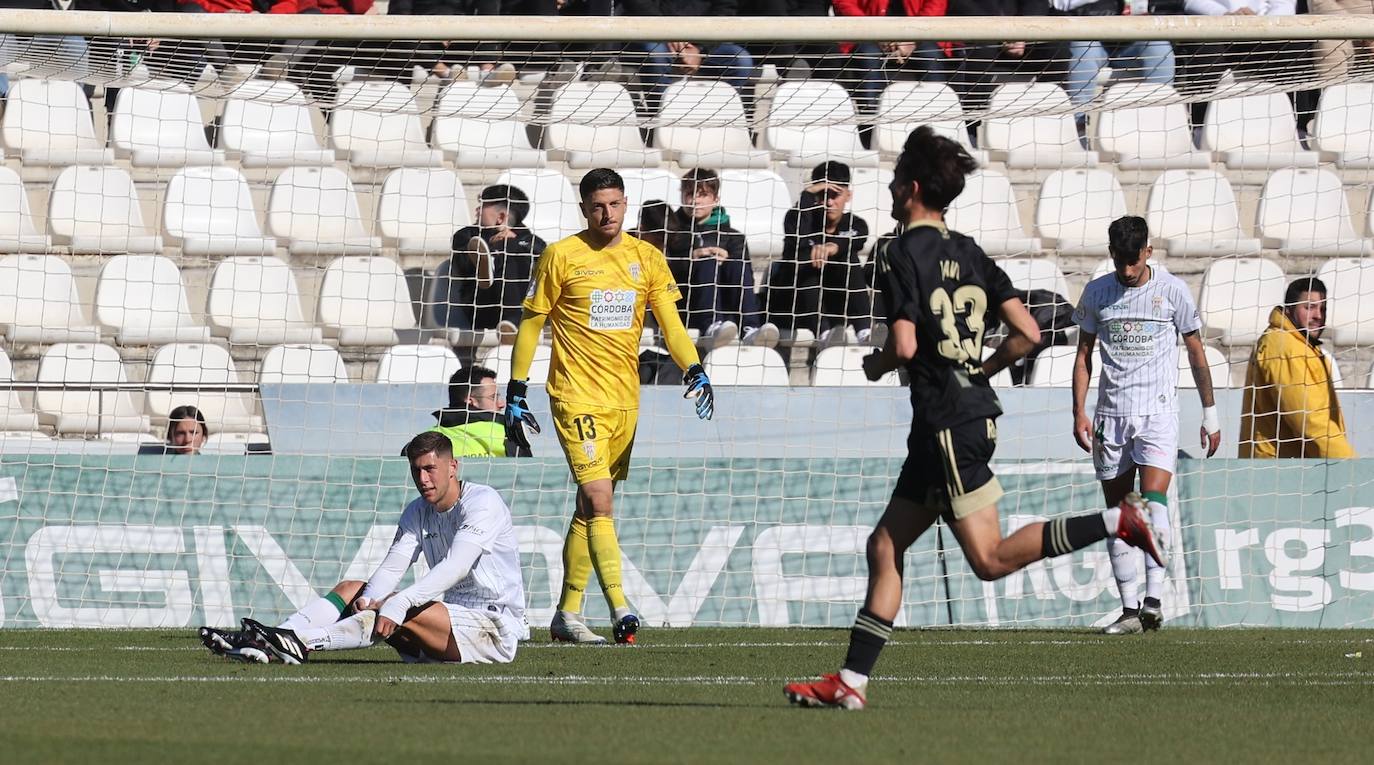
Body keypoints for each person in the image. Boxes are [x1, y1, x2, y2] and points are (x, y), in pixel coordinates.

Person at [782, 126, 1166, 710]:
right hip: (965, 415)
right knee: (885, 544)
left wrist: (875, 364)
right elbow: (1029, 333)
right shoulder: (970, 251)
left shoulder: (896, 249)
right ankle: (851, 683)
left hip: (943, 421)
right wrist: (979, 374)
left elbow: (905, 345)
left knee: (988, 559)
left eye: (893, 179)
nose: (887, 186)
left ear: (911, 188)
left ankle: (1117, 521)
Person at [504, 168, 715, 645]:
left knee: (591, 506)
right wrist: (517, 388)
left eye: (616, 204)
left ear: (626, 204)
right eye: (599, 206)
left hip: (624, 400)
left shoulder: (648, 258)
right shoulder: (561, 256)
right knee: (599, 496)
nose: (608, 213)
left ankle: (567, 614)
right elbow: (532, 325)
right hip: (574, 394)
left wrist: (694, 367)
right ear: (584, 208)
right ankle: (621, 606)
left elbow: (672, 326)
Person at [200, 431, 526, 664]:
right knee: (353, 588)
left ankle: (301, 643)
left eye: (430, 469)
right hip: (447, 623)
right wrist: (369, 599)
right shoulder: (417, 510)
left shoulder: (483, 503)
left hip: (494, 627)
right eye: (416, 470)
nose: (423, 478)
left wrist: (398, 603)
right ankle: (270, 638)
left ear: (452, 467)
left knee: (398, 602)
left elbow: (455, 567)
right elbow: (393, 566)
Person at [1070, 215, 1221, 635]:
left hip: (1157, 415)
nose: (1126, 270)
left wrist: (1210, 414)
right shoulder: (1098, 292)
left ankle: (1154, 601)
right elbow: (1083, 355)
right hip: (1110, 418)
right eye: (1119, 260)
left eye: (1133, 261)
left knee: (1154, 503)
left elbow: (1195, 353)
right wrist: (1078, 411)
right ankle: (1129, 609)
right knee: (1120, 513)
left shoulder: (1172, 290)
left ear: (1148, 253)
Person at [1239, 277, 1356, 459]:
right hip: (1278, 473)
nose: (1318, 315)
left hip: (1296, 469)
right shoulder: (1282, 345)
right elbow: (1309, 419)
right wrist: (1350, 466)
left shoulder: (1304, 345)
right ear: (1289, 310)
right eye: (1309, 307)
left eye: (1322, 308)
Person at [665, 168, 779, 349]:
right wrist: (692, 257)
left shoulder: (734, 237)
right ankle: (711, 326)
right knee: (707, 261)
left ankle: (750, 328)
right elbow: (662, 269)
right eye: (689, 194)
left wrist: (726, 259)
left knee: (736, 264)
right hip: (684, 305)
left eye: (702, 194)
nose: (694, 200)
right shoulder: (670, 232)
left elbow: (745, 276)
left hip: (726, 310)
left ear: (715, 199)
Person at [765, 161, 877, 346]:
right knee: (808, 262)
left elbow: (856, 238)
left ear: (848, 195)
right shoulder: (797, 218)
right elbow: (796, 249)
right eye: (823, 194)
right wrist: (807, 195)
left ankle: (864, 331)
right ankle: (824, 333)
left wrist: (833, 247)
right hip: (794, 302)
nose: (829, 202)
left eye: (835, 195)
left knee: (849, 258)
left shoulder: (856, 224)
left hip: (835, 305)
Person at [434, 185, 547, 339]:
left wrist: (508, 243)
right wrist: (490, 246)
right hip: (480, 308)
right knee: (502, 253)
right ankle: (487, 265)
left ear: (500, 217)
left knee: (514, 255)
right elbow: (462, 266)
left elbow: (542, 252)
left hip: (523, 308)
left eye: (483, 206)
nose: (477, 210)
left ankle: (511, 322)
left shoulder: (526, 238)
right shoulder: (466, 235)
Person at [426, 366, 531, 458]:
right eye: (493, 397)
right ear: (471, 401)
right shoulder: (507, 432)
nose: (501, 404)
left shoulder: (429, 438)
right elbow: (528, 475)